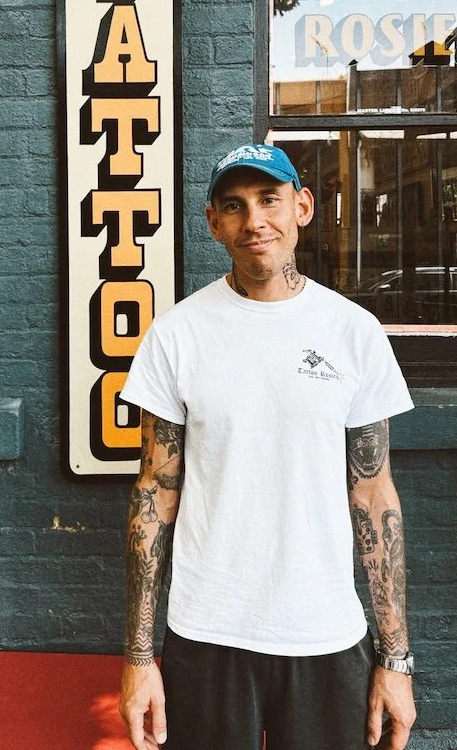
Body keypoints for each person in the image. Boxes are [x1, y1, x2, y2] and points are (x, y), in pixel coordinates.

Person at [119, 143, 417, 750]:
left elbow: (373, 495)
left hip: (324, 632)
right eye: (235, 205)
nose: (254, 220)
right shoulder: (178, 334)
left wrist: (396, 658)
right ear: (213, 222)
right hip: (205, 632)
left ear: (302, 207)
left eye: (269, 200)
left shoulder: (352, 332)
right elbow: (155, 493)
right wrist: (139, 656)